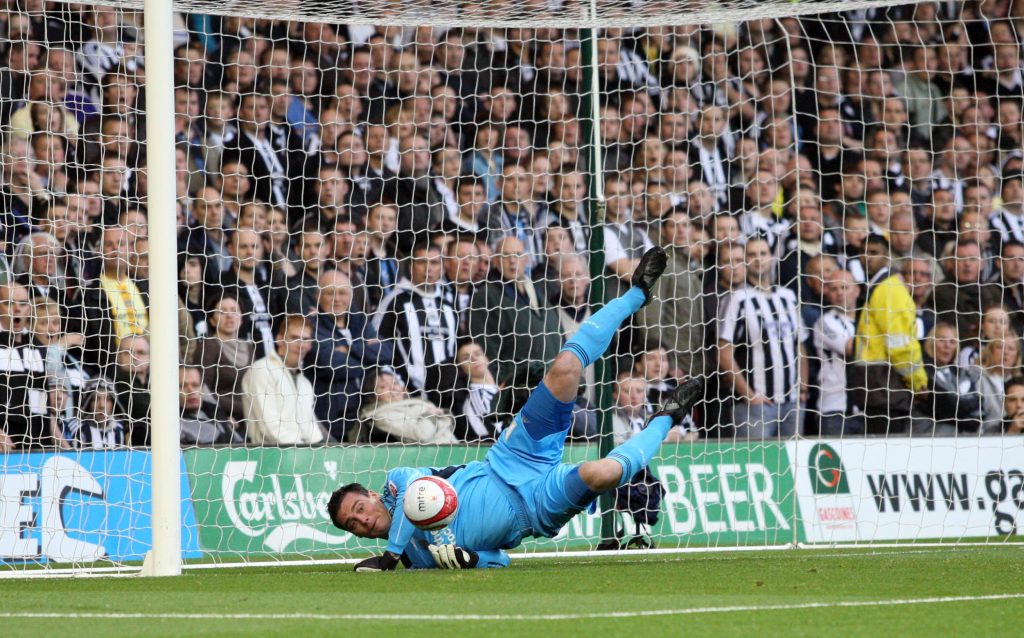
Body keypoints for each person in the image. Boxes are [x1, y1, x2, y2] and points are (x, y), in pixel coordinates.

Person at [327, 247, 702, 570]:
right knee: (602, 472)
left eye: (359, 508)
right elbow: (500, 559)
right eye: (354, 525)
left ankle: (635, 294)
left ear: (372, 496)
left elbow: (415, 491)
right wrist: (472, 560)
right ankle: (665, 417)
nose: (363, 520)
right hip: (537, 506)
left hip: (511, 458)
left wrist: (390, 556)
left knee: (565, 367)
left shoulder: (398, 484)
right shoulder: (416, 559)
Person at [718, 237, 808, 439]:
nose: (758, 259)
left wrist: (802, 390)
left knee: (792, 466)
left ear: (772, 257)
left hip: (792, 402)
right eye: (751, 255)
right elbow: (724, 353)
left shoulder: (788, 297)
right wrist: (749, 395)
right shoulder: (737, 298)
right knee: (756, 463)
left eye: (763, 253)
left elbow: (799, 346)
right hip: (755, 404)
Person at [241, 315, 326, 445]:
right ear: (279, 340)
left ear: (310, 345)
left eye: (305, 339)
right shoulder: (262, 369)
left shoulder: (305, 383)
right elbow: (269, 427)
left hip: (302, 457)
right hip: (269, 457)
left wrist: (319, 451)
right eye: (294, 338)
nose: (300, 345)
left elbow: (311, 429)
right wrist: (304, 451)